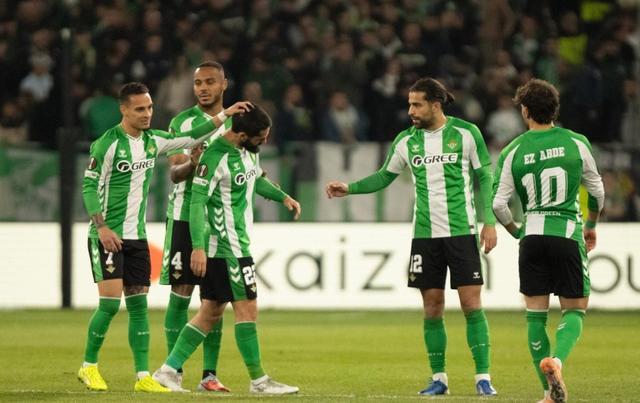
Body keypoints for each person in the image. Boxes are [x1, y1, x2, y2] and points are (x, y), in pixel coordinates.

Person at [325, 77, 498, 396]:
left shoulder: (466, 133)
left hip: (462, 231)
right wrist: (350, 188)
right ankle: (439, 378)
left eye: (417, 104)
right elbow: (384, 177)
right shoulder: (406, 141)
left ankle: (483, 378)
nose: (410, 111)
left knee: (471, 304)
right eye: (409, 104)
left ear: (435, 104)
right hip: (425, 236)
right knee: (432, 307)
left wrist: (489, 221)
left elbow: (485, 176)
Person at [79, 81, 251, 392]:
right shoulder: (107, 144)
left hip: (137, 237)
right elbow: (89, 187)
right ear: (123, 110)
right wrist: (101, 227)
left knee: (139, 307)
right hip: (107, 236)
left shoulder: (153, 141)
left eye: (149, 108)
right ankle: (88, 366)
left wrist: (225, 114)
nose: (147, 114)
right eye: (139, 109)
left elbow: (191, 136)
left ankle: (143, 376)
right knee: (109, 305)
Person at [152, 105, 301, 395]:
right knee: (247, 308)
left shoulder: (248, 152)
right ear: (242, 135)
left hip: (237, 243)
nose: (265, 141)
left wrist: (283, 197)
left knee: (210, 313)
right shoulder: (214, 157)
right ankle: (259, 381)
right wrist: (197, 248)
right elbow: (197, 203)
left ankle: (167, 371)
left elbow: (255, 179)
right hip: (225, 246)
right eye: (261, 137)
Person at [492, 78, 605, 403]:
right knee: (575, 310)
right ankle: (557, 361)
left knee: (535, 315)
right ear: (555, 109)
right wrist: (591, 225)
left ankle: (547, 394)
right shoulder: (576, 142)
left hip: (532, 237)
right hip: (566, 234)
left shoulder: (513, 150)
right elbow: (597, 191)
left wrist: (517, 231)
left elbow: (498, 205)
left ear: (525, 111)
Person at [159, 61, 233, 392]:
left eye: (210, 82)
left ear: (224, 84)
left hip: (219, 220)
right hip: (184, 217)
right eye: (198, 83)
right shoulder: (182, 123)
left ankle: (209, 376)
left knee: (215, 300)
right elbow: (174, 174)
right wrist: (192, 161)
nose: (203, 88)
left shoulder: (234, 121)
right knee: (181, 294)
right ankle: (172, 372)